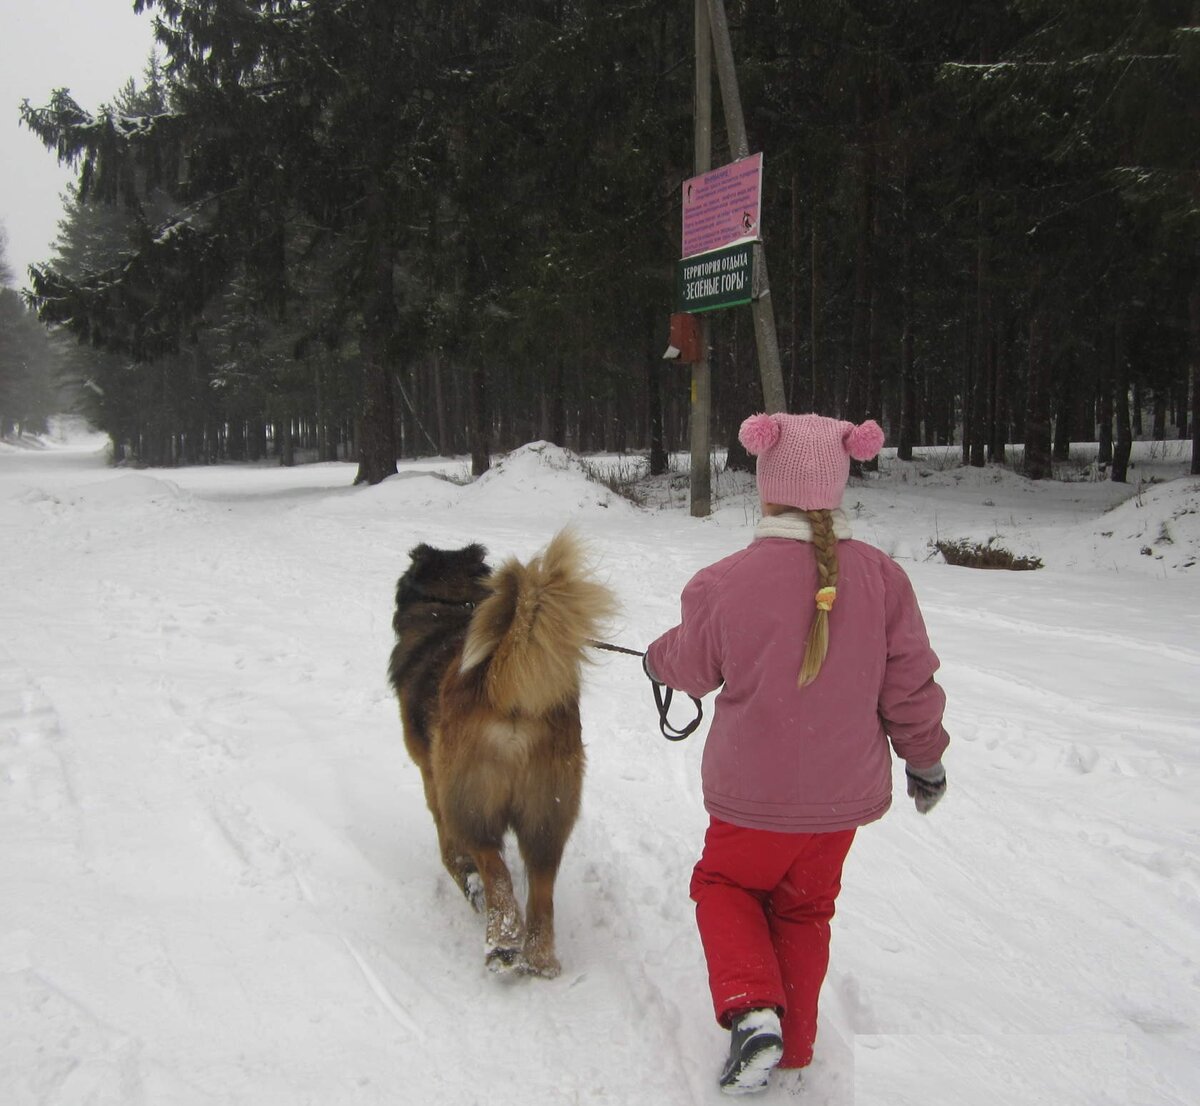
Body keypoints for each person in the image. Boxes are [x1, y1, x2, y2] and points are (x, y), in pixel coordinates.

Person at [643, 412, 949, 1096]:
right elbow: (911, 684)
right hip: (839, 804)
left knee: (724, 888)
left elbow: (689, 666)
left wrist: (657, 660)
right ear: (839, 482)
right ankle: (795, 1045)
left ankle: (754, 1013)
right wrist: (924, 760)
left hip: (750, 799)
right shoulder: (882, 579)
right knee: (805, 911)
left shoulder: (727, 580)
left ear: (767, 487)